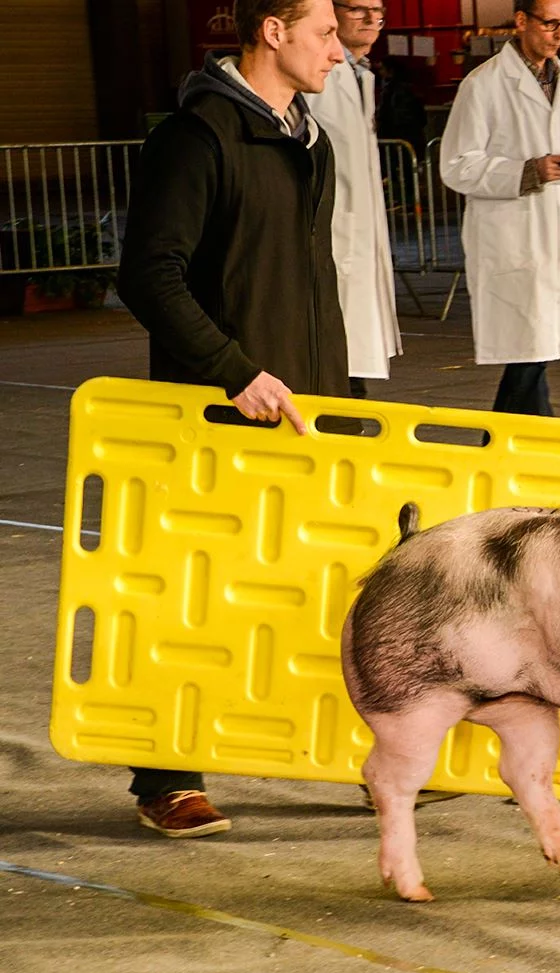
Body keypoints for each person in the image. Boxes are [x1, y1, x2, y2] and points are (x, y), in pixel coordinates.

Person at [116, 0, 349, 837]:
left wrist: (340, 396)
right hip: (218, 413)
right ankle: (166, 777)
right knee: (192, 596)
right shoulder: (198, 137)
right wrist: (233, 371)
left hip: (305, 407)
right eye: (326, 31)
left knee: (315, 587)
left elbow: (307, 282)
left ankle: (362, 757)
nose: (342, 47)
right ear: (273, 32)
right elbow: (149, 274)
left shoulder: (305, 139)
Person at [439, 0, 560, 418]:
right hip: (510, 229)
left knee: (536, 348)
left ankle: (516, 439)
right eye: (549, 23)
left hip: (557, 225)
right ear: (521, 21)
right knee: (529, 349)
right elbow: (457, 165)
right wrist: (527, 171)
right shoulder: (483, 84)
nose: (558, 34)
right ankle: (514, 439)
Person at [305, 0, 402, 397]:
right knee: (337, 361)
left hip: (356, 235)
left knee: (350, 358)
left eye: (376, 10)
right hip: (330, 235)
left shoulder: (361, 74)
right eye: (358, 9)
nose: (370, 19)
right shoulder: (319, 75)